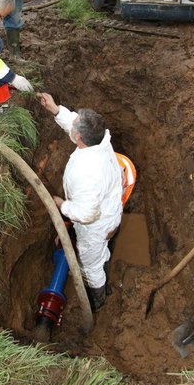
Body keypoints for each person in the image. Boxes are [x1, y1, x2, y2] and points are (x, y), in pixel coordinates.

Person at [39, 92, 123, 312]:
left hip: (95, 224)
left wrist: (62, 205)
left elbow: (85, 214)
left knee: (90, 264)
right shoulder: (100, 139)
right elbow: (75, 123)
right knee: (100, 252)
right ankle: (103, 262)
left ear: (78, 138)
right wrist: (56, 109)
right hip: (109, 211)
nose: (73, 122)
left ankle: (98, 299)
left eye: (75, 124)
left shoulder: (87, 171)